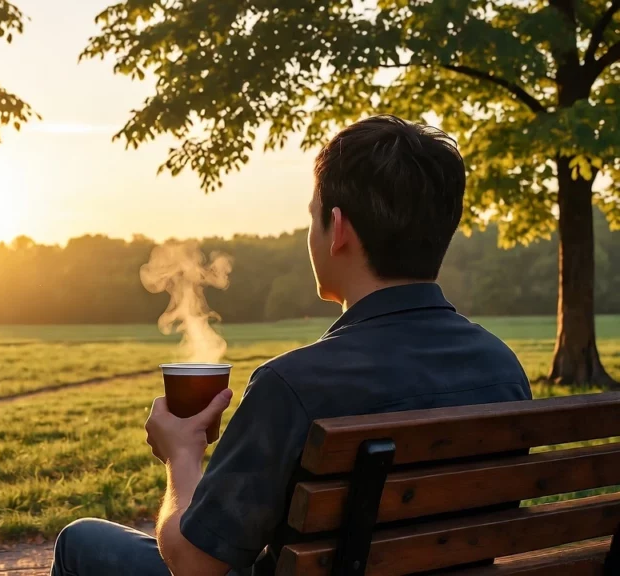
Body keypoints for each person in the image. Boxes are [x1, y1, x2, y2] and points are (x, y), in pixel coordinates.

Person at [49, 115, 532, 576]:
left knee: (81, 541)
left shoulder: (294, 386)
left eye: (313, 218)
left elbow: (196, 565)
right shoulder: (502, 370)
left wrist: (183, 453)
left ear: (337, 229)